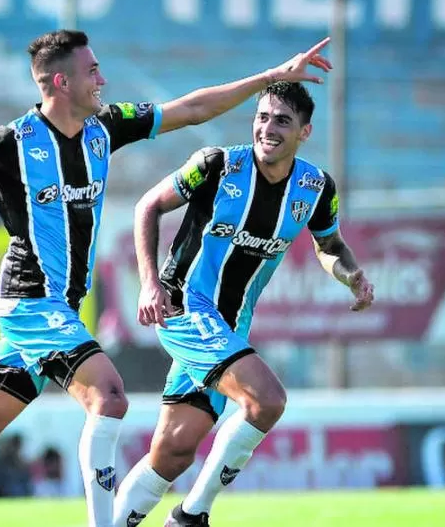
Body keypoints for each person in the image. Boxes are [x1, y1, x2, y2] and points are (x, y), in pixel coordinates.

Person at [0, 29, 333, 527]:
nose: (102, 80)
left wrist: (271, 75)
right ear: (60, 83)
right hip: (29, 301)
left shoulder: (104, 128)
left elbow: (192, 109)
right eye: (91, 72)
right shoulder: (6, 142)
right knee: (108, 396)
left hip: (60, 309)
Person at [111, 81, 375, 527]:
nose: (268, 129)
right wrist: (149, 283)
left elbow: (329, 245)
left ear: (304, 132)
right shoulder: (216, 165)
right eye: (263, 117)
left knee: (173, 452)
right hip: (185, 308)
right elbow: (148, 206)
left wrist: (352, 276)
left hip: (230, 326)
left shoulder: (315, 187)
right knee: (267, 401)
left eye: (282, 121)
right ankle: (191, 516)